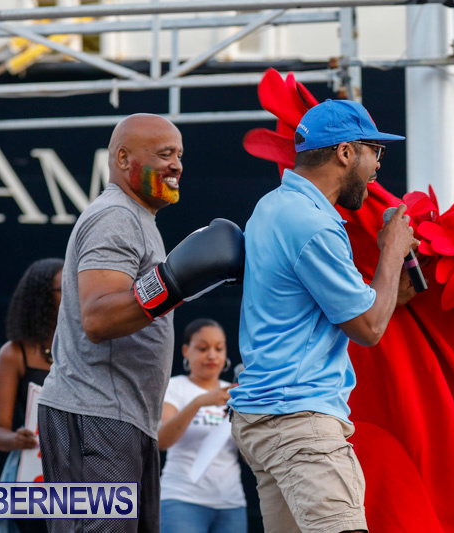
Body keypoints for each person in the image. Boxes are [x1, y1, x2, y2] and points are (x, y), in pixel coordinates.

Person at [37, 113, 244, 533]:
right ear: (123, 158)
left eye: (179, 155)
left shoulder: (138, 219)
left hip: (123, 418)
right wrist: (173, 281)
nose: (176, 165)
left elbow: (140, 303)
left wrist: (177, 286)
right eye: (164, 154)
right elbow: (98, 317)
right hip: (95, 413)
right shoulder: (115, 215)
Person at [229, 98, 419, 533]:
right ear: (346, 152)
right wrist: (392, 252)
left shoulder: (272, 206)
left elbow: (328, 308)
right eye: (375, 151)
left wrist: (391, 286)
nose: (378, 165)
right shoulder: (312, 224)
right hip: (300, 424)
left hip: (267, 418)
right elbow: (369, 328)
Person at [0, 258, 63, 533]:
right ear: (41, 298)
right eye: (65, 289)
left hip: (80, 470)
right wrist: (16, 439)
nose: (75, 295)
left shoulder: (88, 348)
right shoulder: (14, 354)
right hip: (33, 472)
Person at [158, 318, 247, 533]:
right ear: (186, 351)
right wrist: (199, 402)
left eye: (219, 348)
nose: (212, 355)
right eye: (203, 348)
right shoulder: (174, 387)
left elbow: (249, 457)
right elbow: (161, 440)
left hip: (231, 503)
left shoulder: (234, 393)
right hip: (181, 499)